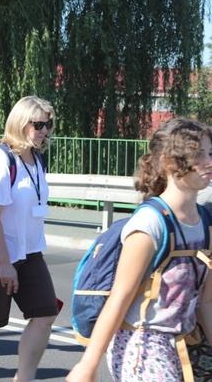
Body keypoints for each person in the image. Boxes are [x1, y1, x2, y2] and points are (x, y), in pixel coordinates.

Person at [68, 118, 212, 381]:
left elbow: (207, 302)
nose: (209, 162)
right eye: (198, 155)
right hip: (141, 345)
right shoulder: (150, 224)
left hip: (185, 343)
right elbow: (119, 298)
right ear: (169, 162)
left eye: (210, 153)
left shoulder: (206, 222)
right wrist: (87, 365)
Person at [0, 95, 59, 382]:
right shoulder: (1, 159)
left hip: (30, 252)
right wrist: (4, 264)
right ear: (20, 123)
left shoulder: (37, 159)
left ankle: (23, 378)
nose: (44, 130)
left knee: (45, 313)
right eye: (38, 124)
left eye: (48, 124)